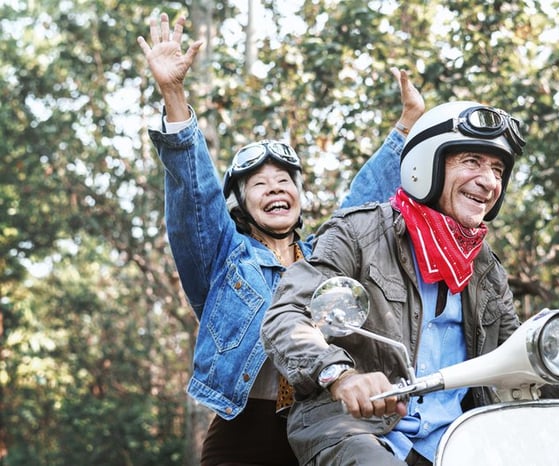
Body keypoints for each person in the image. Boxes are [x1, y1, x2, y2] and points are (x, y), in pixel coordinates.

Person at [261, 100, 559, 465]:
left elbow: (519, 355)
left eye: (498, 169)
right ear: (426, 164)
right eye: (472, 162)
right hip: (358, 431)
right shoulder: (358, 232)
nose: (489, 181)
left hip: (457, 439)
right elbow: (287, 315)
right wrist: (340, 374)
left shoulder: (486, 269)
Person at [137, 11, 425, 466]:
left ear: (298, 195)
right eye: (259, 182)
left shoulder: (323, 256)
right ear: (242, 202)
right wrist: (173, 95)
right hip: (244, 425)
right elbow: (195, 196)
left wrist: (407, 126)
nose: (274, 187)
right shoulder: (224, 256)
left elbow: (362, 201)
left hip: (325, 417)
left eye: (284, 179)